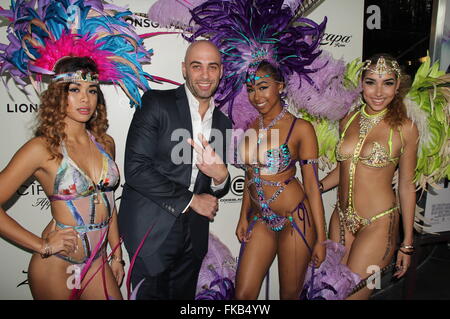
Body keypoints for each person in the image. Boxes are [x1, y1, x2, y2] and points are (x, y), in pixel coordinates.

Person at [0, 56, 124, 299]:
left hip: (97, 261)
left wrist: (117, 255)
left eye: (91, 90)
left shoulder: (105, 144)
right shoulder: (42, 148)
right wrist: (42, 245)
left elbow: (108, 204)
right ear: (58, 95)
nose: (85, 99)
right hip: (55, 265)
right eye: (74, 90)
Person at [118, 40, 232, 300]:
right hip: (151, 230)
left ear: (221, 71)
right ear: (184, 69)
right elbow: (135, 168)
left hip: (194, 238)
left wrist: (222, 176)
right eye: (196, 66)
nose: (205, 75)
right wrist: (191, 200)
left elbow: (218, 183)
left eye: (212, 67)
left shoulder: (224, 123)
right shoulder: (157, 103)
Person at [320, 54, 419, 299]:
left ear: (398, 87)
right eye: (371, 82)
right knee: (332, 293)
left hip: (378, 224)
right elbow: (343, 169)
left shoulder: (406, 128)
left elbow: (406, 186)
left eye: (387, 83)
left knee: (355, 296)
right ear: (361, 84)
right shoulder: (348, 119)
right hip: (341, 220)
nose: (378, 91)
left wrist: (407, 243)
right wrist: (313, 187)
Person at [234, 61, 327, 300]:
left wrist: (321, 238)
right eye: (251, 89)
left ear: (281, 86)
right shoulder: (250, 127)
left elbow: (312, 188)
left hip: (294, 220)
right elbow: (250, 175)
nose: (256, 96)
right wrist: (243, 216)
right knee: (243, 295)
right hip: (260, 219)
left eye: (263, 87)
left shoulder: (301, 128)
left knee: (289, 295)